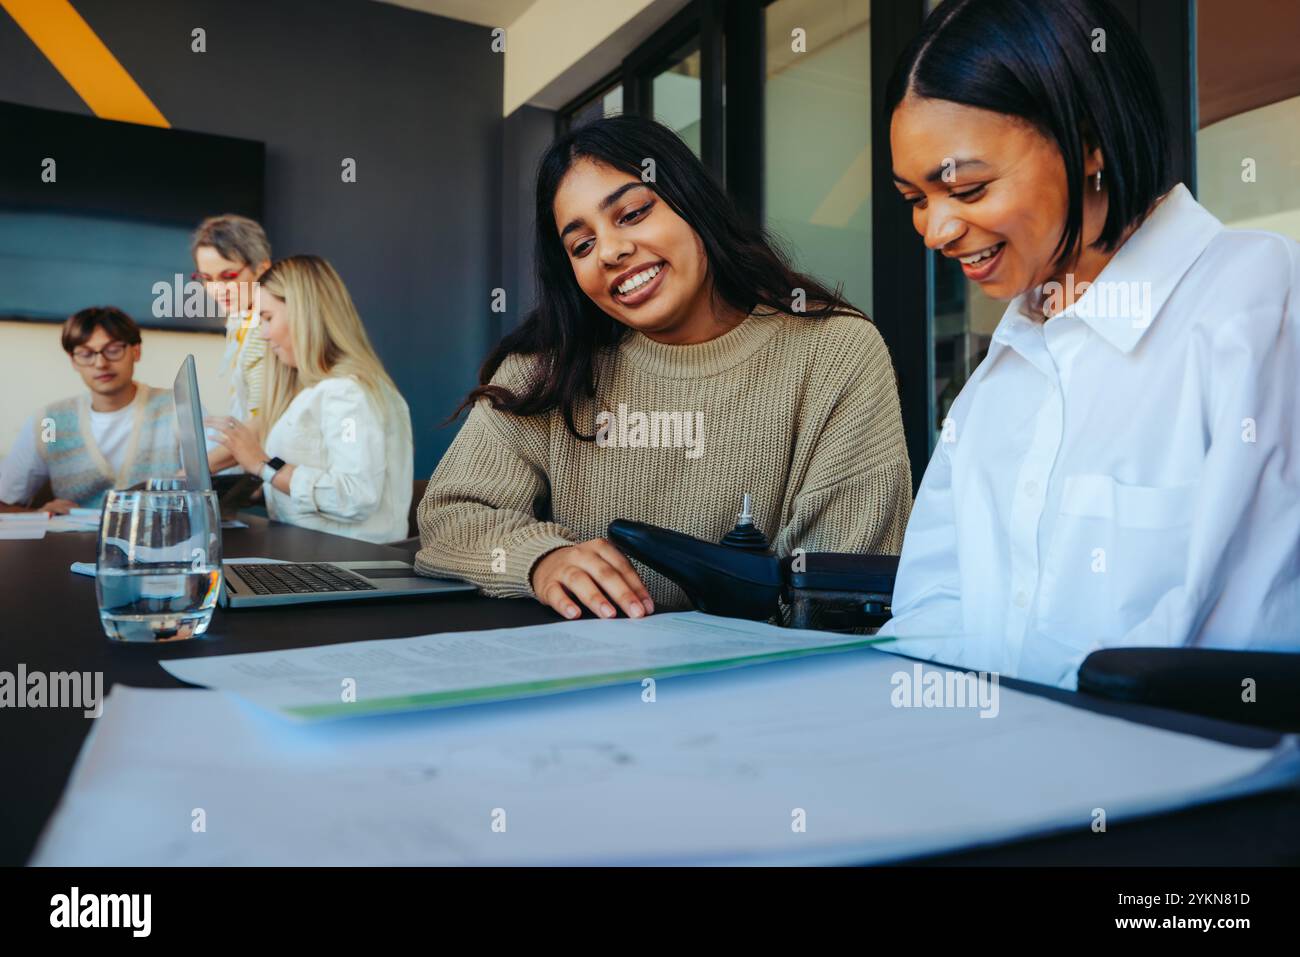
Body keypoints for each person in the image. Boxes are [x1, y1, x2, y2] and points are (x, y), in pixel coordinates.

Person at [877, 0, 1300, 687]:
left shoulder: (1254, 302)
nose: (936, 229)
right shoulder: (1000, 374)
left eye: (967, 187)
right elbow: (932, 615)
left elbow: (1240, 658)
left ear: (1089, 144)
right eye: (915, 199)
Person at [414, 115, 913, 620]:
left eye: (632, 213)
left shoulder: (836, 353)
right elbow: (452, 516)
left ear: (692, 202)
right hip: (587, 678)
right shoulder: (547, 369)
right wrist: (543, 560)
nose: (610, 250)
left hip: (764, 681)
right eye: (581, 245)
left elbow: (836, 590)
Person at [205, 255, 413, 545]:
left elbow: (355, 495)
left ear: (304, 313)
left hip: (348, 568)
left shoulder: (347, 394)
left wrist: (263, 464)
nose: (263, 334)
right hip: (319, 556)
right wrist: (250, 489)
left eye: (267, 318)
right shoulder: (317, 391)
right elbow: (315, 478)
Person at [0, 307, 181, 512]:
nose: (100, 363)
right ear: (73, 361)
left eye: (113, 350)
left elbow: (212, 487)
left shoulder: (176, 410)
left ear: (135, 351)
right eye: (86, 354)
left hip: (159, 539)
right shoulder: (51, 423)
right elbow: (5, 502)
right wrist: (37, 515)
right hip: (71, 541)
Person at [191, 214, 272, 423]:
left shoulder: (267, 331)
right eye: (206, 279)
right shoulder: (240, 320)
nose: (217, 290)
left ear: (262, 269)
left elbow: (261, 424)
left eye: (228, 277)